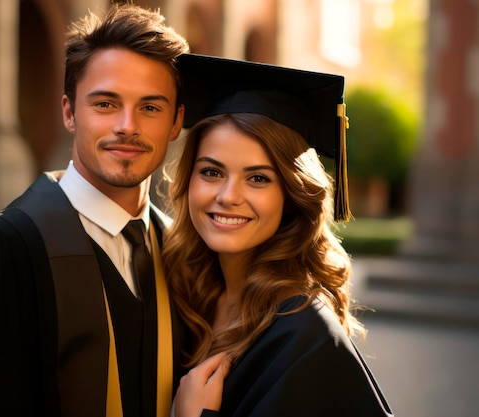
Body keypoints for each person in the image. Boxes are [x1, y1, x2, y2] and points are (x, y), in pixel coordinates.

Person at [0, 4, 189, 417]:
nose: (127, 126)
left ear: (176, 122)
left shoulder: (184, 256)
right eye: (105, 104)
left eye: (151, 108)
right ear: (69, 112)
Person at [162, 54, 394, 417]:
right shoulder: (190, 295)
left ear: (292, 196)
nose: (227, 196)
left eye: (258, 178)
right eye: (211, 172)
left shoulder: (305, 332)